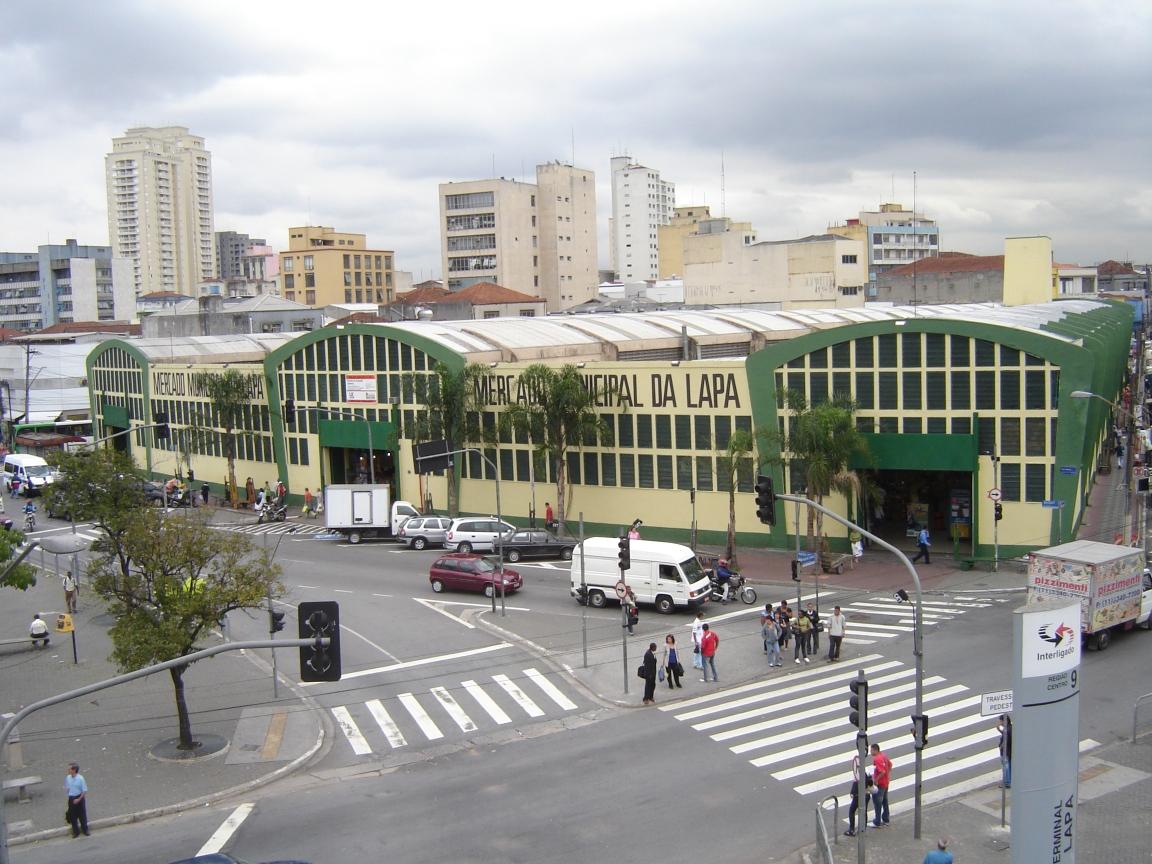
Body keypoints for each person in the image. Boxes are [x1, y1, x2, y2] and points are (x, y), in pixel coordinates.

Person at [844, 771, 874, 836]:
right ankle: (863, 829)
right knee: (864, 811)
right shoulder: (866, 772)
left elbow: (855, 784)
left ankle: (851, 830)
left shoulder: (858, 773)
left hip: (859, 796)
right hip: (867, 795)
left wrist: (852, 793)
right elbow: (871, 783)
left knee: (852, 811)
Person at [64, 762, 89, 837]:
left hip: (79, 797)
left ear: (74, 770)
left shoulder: (80, 778)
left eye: (69, 769)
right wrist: (70, 796)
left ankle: (85, 830)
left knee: (82, 815)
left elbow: (84, 790)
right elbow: (67, 788)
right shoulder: (68, 778)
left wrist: (78, 799)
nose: (68, 770)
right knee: (73, 816)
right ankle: (76, 832)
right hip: (72, 798)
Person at [870, 742, 892, 828]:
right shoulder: (883, 756)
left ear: (875, 750)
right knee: (885, 801)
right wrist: (887, 775)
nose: (870, 752)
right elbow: (890, 765)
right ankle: (886, 819)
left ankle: (877, 821)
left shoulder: (877, 759)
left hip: (880, 784)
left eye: (871, 750)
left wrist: (876, 780)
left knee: (877, 802)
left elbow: (882, 771)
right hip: (886, 782)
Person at [998, 714, 1012, 789]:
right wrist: (999, 730)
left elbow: (1006, 739)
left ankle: (1007, 783)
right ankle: (1008, 782)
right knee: (1008, 767)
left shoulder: (1007, 729)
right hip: (1008, 752)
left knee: (1006, 767)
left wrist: (1001, 746)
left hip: (1006, 752)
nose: (1000, 723)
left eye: (1000, 721)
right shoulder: (1009, 728)